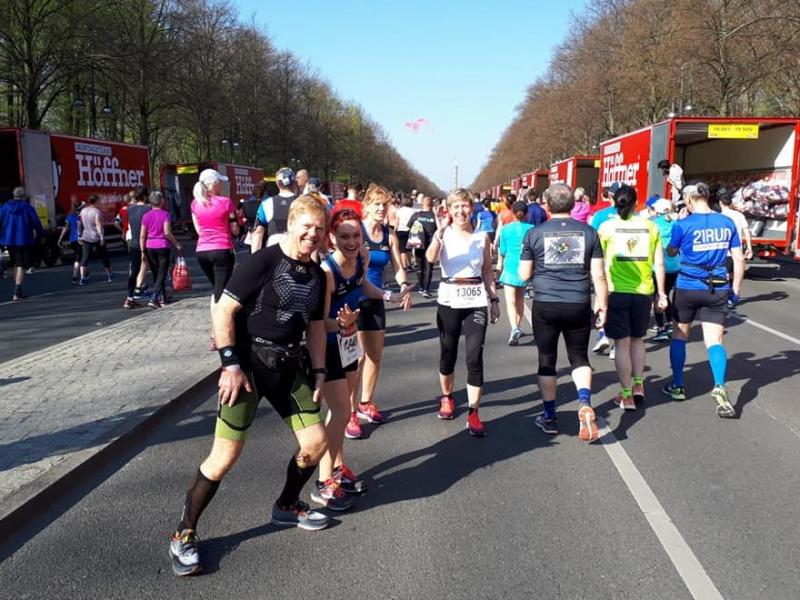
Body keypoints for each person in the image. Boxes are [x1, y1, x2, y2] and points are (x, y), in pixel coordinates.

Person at [168, 197, 331, 577]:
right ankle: (183, 533)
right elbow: (223, 309)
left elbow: (315, 326)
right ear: (291, 224)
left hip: (288, 366)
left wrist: (320, 371)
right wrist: (229, 365)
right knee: (224, 456)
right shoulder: (263, 262)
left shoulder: (318, 275)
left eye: (320, 229)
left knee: (315, 443)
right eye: (307, 226)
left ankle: (286, 505)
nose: (313, 235)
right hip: (247, 368)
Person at [315, 209, 411, 508]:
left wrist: (390, 296)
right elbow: (318, 323)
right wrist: (341, 324)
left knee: (344, 413)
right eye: (344, 236)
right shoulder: (327, 272)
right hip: (327, 345)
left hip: (347, 342)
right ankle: (324, 481)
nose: (352, 241)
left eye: (356, 235)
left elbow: (363, 286)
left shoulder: (360, 259)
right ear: (332, 237)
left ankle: (337, 468)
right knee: (338, 412)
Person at [519, 183, 608, 442]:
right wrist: (602, 305)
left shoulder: (534, 234)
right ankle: (584, 402)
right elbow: (599, 275)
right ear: (573, 204)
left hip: (546, 303)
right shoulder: (589, 232)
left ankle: (549, 417)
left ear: (547, 204)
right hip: (578, 302)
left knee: (547, 359)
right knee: (579, 357)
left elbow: (524, 274)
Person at [662, 183, 744, 418]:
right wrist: (735, 289)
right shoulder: (727, 222)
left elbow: (671, 251)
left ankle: (678, 385)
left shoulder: (683, 224)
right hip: (717, 287)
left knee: (680, 335)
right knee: (715, 341)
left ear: (689, 200)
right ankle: (719, 386)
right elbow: (739, 259)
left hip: (688, 286)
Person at [426, 188, 500, 436]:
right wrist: (438, 234)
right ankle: (447, 397)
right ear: (449, 210)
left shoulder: (482, 237)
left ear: (472, 208)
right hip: (449, 300)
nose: (461, 211)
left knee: (474, 357)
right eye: (456, 206)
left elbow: (487, 271)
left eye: (465, 206)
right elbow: (430, 258)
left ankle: (474, 412)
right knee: (448, 353)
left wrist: (494, 299)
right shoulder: (443, 234)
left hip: (475, 300)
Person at [344, 184, 413, 440]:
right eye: (377, 204)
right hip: (354, 300)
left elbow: (397, 267)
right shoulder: (356, 231)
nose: (382, 209)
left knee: (374, 356)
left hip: (376, 300)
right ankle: (350, 413)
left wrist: (403, 286)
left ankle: (365, 403)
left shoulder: (388, 235)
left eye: (385, 204)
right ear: (367, 206)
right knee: (357, 359)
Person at [598, 185, 667, 410]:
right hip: (643, 291)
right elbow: (659, 264)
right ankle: (638, 384)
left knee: (622, 344)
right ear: (637, 203)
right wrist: (661, 293)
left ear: (614, 201)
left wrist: (599, 297)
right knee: (638, 340)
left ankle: (626, 394)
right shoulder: (651, 227)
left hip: (615, 291)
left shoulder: (606, 227)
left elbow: (598, 264)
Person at [191, 168, 239, 347]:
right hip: (222, 250)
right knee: (220, 294)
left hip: (202, 251)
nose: (221, 184)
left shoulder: (195, 203)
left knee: (217, 290)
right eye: (220, 182)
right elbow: (235, 230)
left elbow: (198, 230)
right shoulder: (225, 203)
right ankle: (216, 334)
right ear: (214, 184)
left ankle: (220, 331)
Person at [590, 181, 622, 358]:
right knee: (620, 306)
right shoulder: (635, 217)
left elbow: (592, 239)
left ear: (609, 195)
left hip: (604, 264)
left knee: (601, 298)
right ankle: (617, 344)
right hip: (629, 266)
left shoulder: (600, 215)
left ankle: (603, 334)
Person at [496, 201, 533, 345]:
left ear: (512, 212)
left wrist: (499, 265)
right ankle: (517, 325)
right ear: (527, 214)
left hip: (510, 266)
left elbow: (503, 250)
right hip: (525, 266)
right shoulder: (532, 229)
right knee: (520, 300)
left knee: (510, 301)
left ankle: (514, 328)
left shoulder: (506, 229)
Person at [140, 191, 182, 309]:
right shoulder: (165, 214)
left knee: (156, 273)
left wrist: (142, 250)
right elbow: (167, 232)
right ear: (162, 201)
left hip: (149, 246)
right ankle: (154, 298)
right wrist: (176, 243)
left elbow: (142, 235)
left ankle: (163, 297)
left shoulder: (146, 216)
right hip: (163, 246)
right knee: (162, 273)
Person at [0, 187, 43, 300]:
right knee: (21, 264)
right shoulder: (27, 207)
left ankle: (17, 288)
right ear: (23, 196)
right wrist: (41, 233)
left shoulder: (5, 207)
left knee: (15, 262)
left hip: (8, 240)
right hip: (23, 239)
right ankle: (17, 290)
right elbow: (36, 222)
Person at [650, 198, 680, 341]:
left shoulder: (653, 224)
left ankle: (661, 328)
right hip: (674, 265)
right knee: (666, 294)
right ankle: (669, 323)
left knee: (658, 296)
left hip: (657, 266)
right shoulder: (675, 224)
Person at [250, 167, 298, 251]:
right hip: (297, 250)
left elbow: (258, 232)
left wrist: (255, 256)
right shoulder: (303, 203)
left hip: (274, 250)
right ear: (294, 183)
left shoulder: (266, 204)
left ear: (277, 183)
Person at [718, 191, 752, 308]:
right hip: (738, 250)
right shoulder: (739, 215)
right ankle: (733, 296)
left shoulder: (719, 217)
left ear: (720, 203)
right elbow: (746, 231)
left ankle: (727, 297)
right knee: (735, 275)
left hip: (725, 250)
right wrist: (749, 247)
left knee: (726, 274)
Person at [123, 186, 151, 308]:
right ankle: (160, 296)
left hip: (134, 243)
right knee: (156, 268)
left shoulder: (130, 209)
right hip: (147, 242)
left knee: (134, 271)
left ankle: (129, 297)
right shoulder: (148, 208)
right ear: (145, 196)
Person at [78, 194, 113, 285]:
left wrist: (79, 235)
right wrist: (101, 236)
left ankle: (82, 278)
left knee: (85, 258)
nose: (100, 202)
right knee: (104, 256)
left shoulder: (83, 211)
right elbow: (98, 225)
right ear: (96, 201)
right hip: (96, 237)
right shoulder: (97, 212)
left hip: (86, 236)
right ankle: (109, 275)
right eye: (99, 200)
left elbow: (79, 224)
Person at [406, 195, 437, 298]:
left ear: (422, 204)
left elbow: (408, 226)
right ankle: (426, 289)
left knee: (420, 266)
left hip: (418, 243)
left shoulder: (416, 215)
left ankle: (421, 286)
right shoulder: (434, 216)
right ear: (432, 204)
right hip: (431, 244)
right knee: (429, 267)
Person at [57, 200, 84, 285]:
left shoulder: (69, 216)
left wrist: (60, 239)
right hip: (81, 239)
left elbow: (65, 228)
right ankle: (75, 277)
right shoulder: (82, 216)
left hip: (72, 240)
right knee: (79, 258)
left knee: (80, 257)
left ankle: (86, 273)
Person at [395, 194, 417, 272]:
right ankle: (410, 264)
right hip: (410, 231)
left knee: (402, 249)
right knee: (409, 249)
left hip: (400, 230)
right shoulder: (414, 211)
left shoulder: (399, 211)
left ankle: (404, 265)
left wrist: (394, 230)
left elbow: (397, 222)